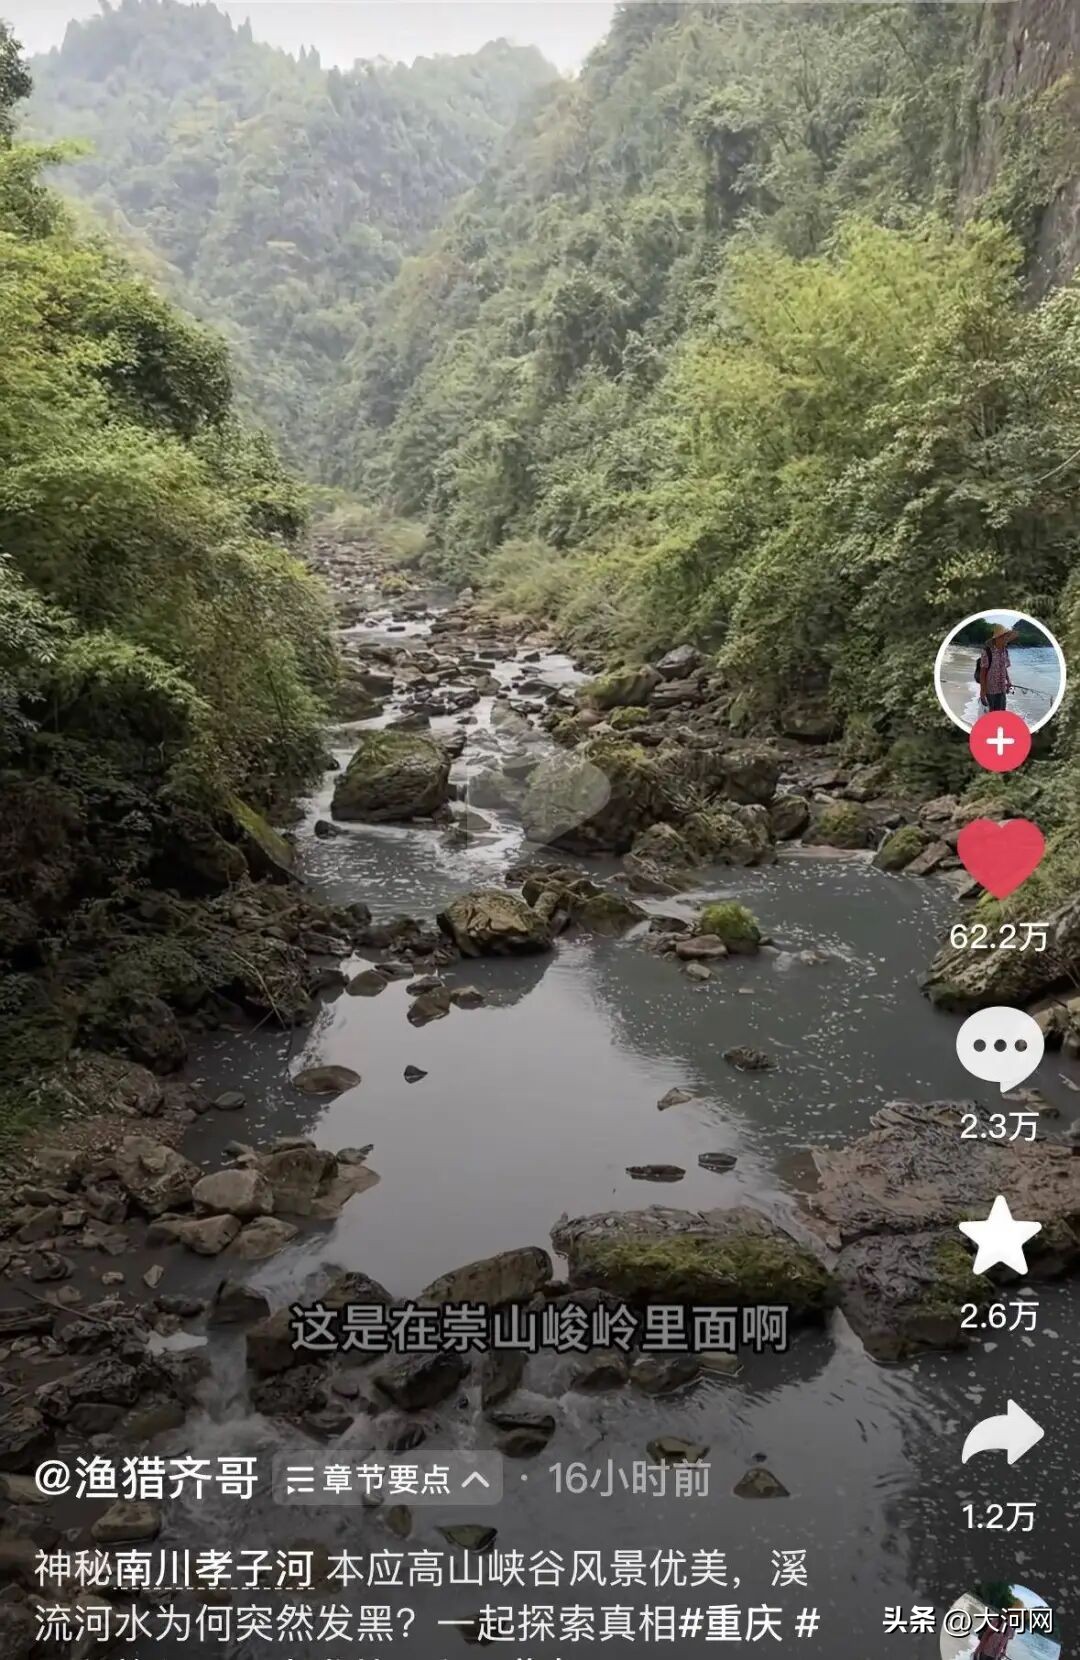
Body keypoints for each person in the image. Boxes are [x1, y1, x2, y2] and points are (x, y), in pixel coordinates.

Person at [978, 624, 1017, 712]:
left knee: (1001, 714)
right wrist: (982, 691)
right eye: (1005, 637)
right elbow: (982, 672)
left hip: (1002, 689)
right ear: (998, 638)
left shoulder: (1005, 651)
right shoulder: (987, 651)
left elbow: (1004, 667)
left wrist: (1008, 681)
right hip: (990, 690)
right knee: (990, 715)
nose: (1007, 639)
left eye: (1007, 637)